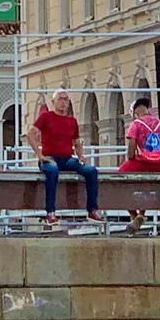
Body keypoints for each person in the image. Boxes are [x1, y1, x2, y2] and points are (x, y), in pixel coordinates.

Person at [33, 91, 99, 226]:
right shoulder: (46, 117)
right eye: (60, 99)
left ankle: (92, 210)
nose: (63, 102)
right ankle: (50, 212)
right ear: (53, 102)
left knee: (91, 170)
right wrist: (39, 155)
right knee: (52, 170)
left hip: (67, 159)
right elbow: (30, 134)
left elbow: (76, 142)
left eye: (66, 99)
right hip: (49, 158)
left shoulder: (72, 121)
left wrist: (81, 155)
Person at [121, 101, 160, 173]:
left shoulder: (136, 124)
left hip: (142, 163)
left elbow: (131, 150)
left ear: (135, 115)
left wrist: (131, 158)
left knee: (120, 173)